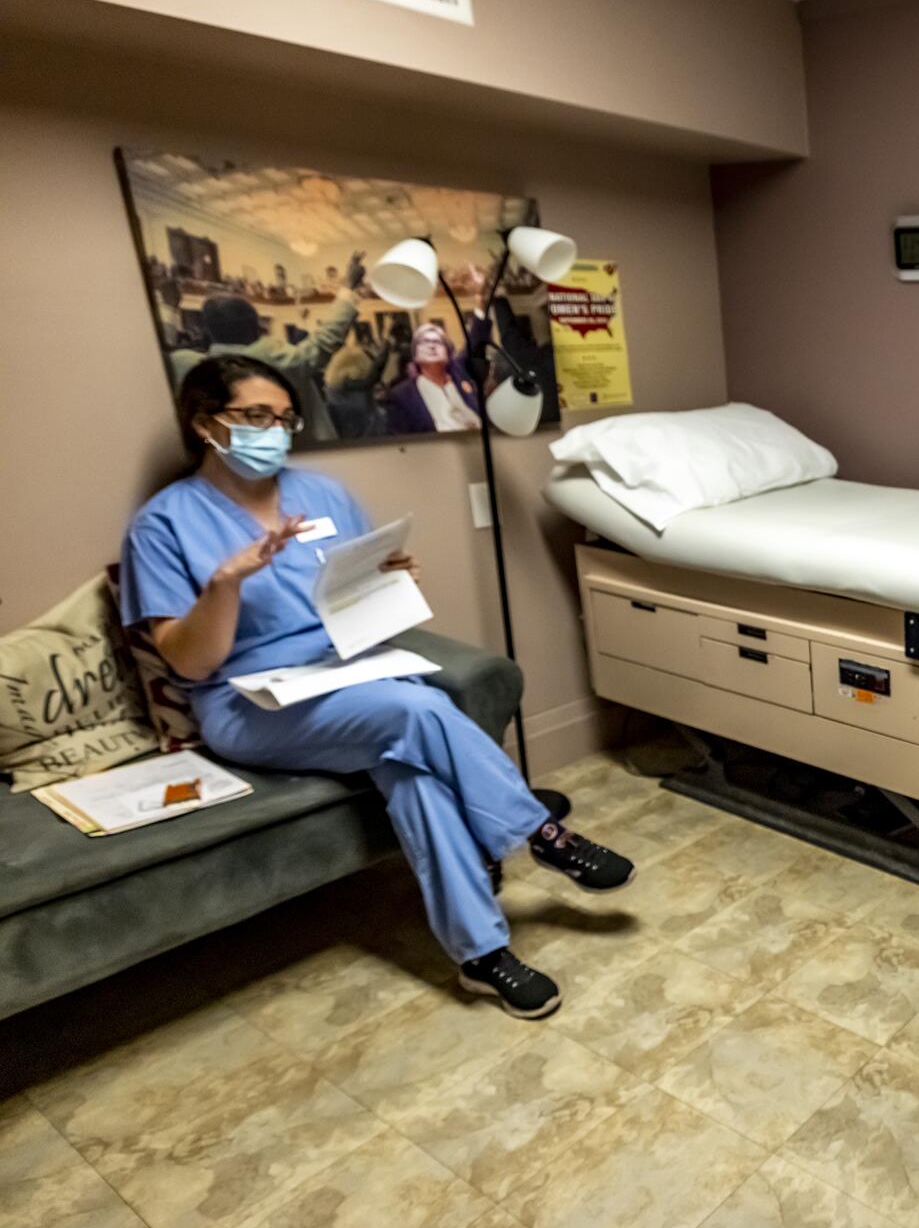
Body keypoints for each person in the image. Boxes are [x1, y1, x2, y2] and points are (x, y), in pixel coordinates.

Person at [120, 356, 637, 1018]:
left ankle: (481, 957)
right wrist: (225, 585)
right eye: (254, 417)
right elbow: (190, 666)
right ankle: (541, 832)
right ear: (204, 425)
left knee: (411, 768)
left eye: (284, 418)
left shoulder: (325, 495)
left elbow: (351, 608)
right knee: (417, 708)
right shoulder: (164, 525)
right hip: (248, 703)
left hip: (345, 674)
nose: (273, 431)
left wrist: (385, 583)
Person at [169, 250, 368, 445]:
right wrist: (348, 287)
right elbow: (324, 341)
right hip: (304, 458)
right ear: (254, 326)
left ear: (208, 330)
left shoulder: (186, 367)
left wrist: (170, 306)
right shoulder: (269, 360)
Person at [383, 319, 487, 435]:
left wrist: (481, 309)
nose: (431, 346)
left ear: (448, 352)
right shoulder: (401, 395)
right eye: (424, 342)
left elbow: (476, 341)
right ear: (415, 355)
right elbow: (401, 443)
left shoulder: (459, 373)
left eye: (437, 342)